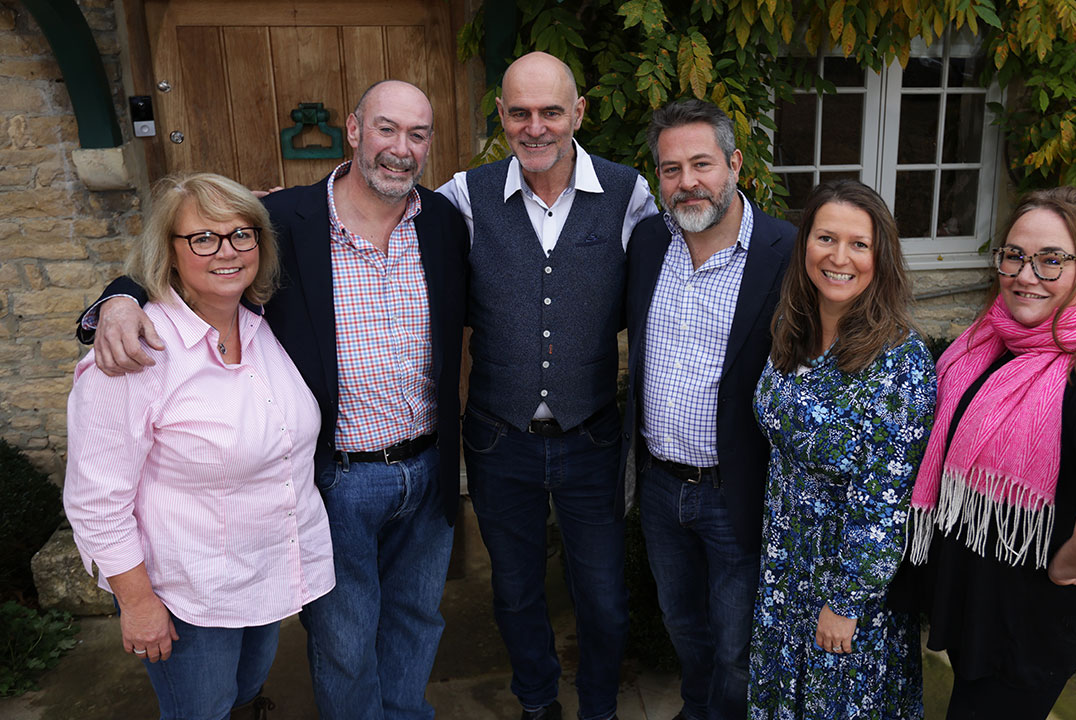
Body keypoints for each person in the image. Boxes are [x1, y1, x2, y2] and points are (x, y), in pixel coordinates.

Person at [75, 81, 469, 720]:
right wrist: (118, 299)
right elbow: (192, 244)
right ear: (352, 129)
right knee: (344, 638)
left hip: (426, 467)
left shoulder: (446, 222)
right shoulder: (285, 220)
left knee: (418, 619)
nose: (401, 148)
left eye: (417, 134)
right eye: (386, 128)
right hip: (337, 477)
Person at [64, 173, 335, 720]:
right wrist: (138, 603)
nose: (227, 251)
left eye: (241, 234)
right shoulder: (135, 356)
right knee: (201, 710)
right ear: (168, 250)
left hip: (265, 572)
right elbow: (97, 501)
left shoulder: (264, 329)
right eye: (203, 238)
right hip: (187, 593)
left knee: (241, 696)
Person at [436, 51, 655, 720]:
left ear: (578, 114)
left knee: (603, 595)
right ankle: (537, 704)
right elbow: (387, 243)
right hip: (500, 441)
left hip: (591, 436)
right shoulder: (462, 197)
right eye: (520, 112)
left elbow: (687, 272)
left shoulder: (630, 194)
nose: (536, 127)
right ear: (501, 115)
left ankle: (597, 708)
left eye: (551, 111)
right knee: (515, 592)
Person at [906, 187, 1076, 719]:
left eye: (1050, 261)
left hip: (1028, 627)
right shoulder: (988, 340)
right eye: (1014, 255)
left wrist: (1066, 567)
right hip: (981, 607)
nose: (1025, 274)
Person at [623, 99, 793, 720]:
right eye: (671, 169)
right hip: (662, 488)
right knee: (681, 623)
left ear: (735, 164)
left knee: (736, 643)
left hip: (736, 490)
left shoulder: (785, 251)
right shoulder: (647, 242)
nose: (687, 182)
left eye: (702, 164)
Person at [749, 179, 934, 719]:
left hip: (846, 590)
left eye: (859, 244)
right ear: (804, 242)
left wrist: (846, 604)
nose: (839, 257)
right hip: (785, 571)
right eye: (826, 238)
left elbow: (886, 502)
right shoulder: (792, 327)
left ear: (882, 258)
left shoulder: (902, 363)